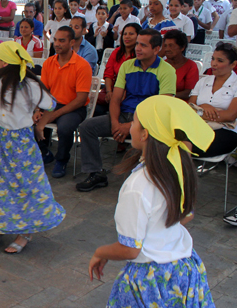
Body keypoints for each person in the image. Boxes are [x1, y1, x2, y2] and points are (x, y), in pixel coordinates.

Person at [83, 95, 219, 308]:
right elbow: (186, 216)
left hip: (151, 281)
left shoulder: (138, 185)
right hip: (185, 273)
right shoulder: (178, 164)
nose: (130, 126)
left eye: (134, 121)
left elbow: (131, 249)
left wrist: (100, 251)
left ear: (145, 133)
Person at [0, 41, 65, 254]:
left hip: (19, 143)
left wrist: (35, 108)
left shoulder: (30, 86)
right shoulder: (0, 80)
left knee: (23, 184)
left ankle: (24, 232)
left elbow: (51, 103)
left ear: (5, 62)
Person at [76, 29, 177, 192]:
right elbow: (115, 99)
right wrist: (116, 123)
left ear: (156, 49)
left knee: (153, 139)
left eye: (143, 45)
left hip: (149, 122)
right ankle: (95, 173)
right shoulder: (127, 65)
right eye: (137, 43)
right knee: (87, 127)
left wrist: (130, 126)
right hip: (124, 116)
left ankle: (146, 180)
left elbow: (161, 109)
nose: (137, 48)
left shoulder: (167, 71)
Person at [36, 26, 93, 179]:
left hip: (75, 107)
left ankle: (61, 160)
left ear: (72, 42)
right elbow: (43, 92)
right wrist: (37, 110)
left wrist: (52, 115)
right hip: (52, 104)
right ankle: (44, 152)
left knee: (65, 128)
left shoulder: (82, 65)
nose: (57, 44)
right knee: (26, 118)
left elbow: (80, 100)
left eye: (62, 40)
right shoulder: (49, 62)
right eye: (55, 40)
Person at [189, 43, 237, 158]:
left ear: (233, 64)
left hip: (226, 131)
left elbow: (230, 116)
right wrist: (205, 106)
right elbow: (189, 108)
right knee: (168, 139)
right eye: (213, 59)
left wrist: (199, 111)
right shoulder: (203, 81)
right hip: (199, 126)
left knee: (186, 146)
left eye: (220, 61)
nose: (214, 64)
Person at [99, 23, 141, 115]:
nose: (127, 37)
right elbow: (108, 74)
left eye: (131, 34)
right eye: (125, 34)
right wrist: (109, 91)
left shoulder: (140, 56)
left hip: (130, 93)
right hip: (112, 89)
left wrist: (118, 95)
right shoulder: (116, 52)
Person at [162, 29, 198, 101]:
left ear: (182, 47)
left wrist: (167, 96)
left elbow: (189, 92)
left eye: (171, 46)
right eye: (165, 46)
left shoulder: (191, 66)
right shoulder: (162, 64)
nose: (167, 49)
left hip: (181, 104)